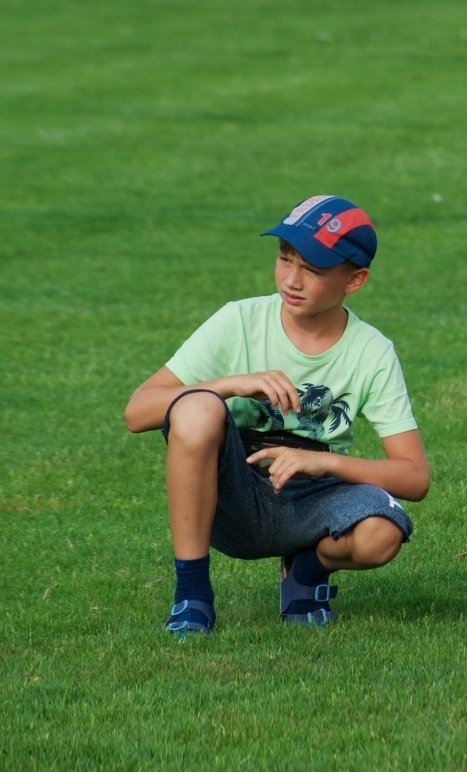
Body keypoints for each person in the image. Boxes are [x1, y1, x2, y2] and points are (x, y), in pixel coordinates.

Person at [124, 196, 430, 636]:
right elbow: (138, 411)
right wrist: (230, 385)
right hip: (234, 488)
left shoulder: (372, 350)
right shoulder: (239, 321)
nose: (292, 280)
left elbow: (415, 476)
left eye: (314, 270)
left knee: (382, 534)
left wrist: (323, 462)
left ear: (355, 279)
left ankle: (304, 572)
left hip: (316, 492)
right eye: (285, 260)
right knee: (196, 407)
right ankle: (192, 595)